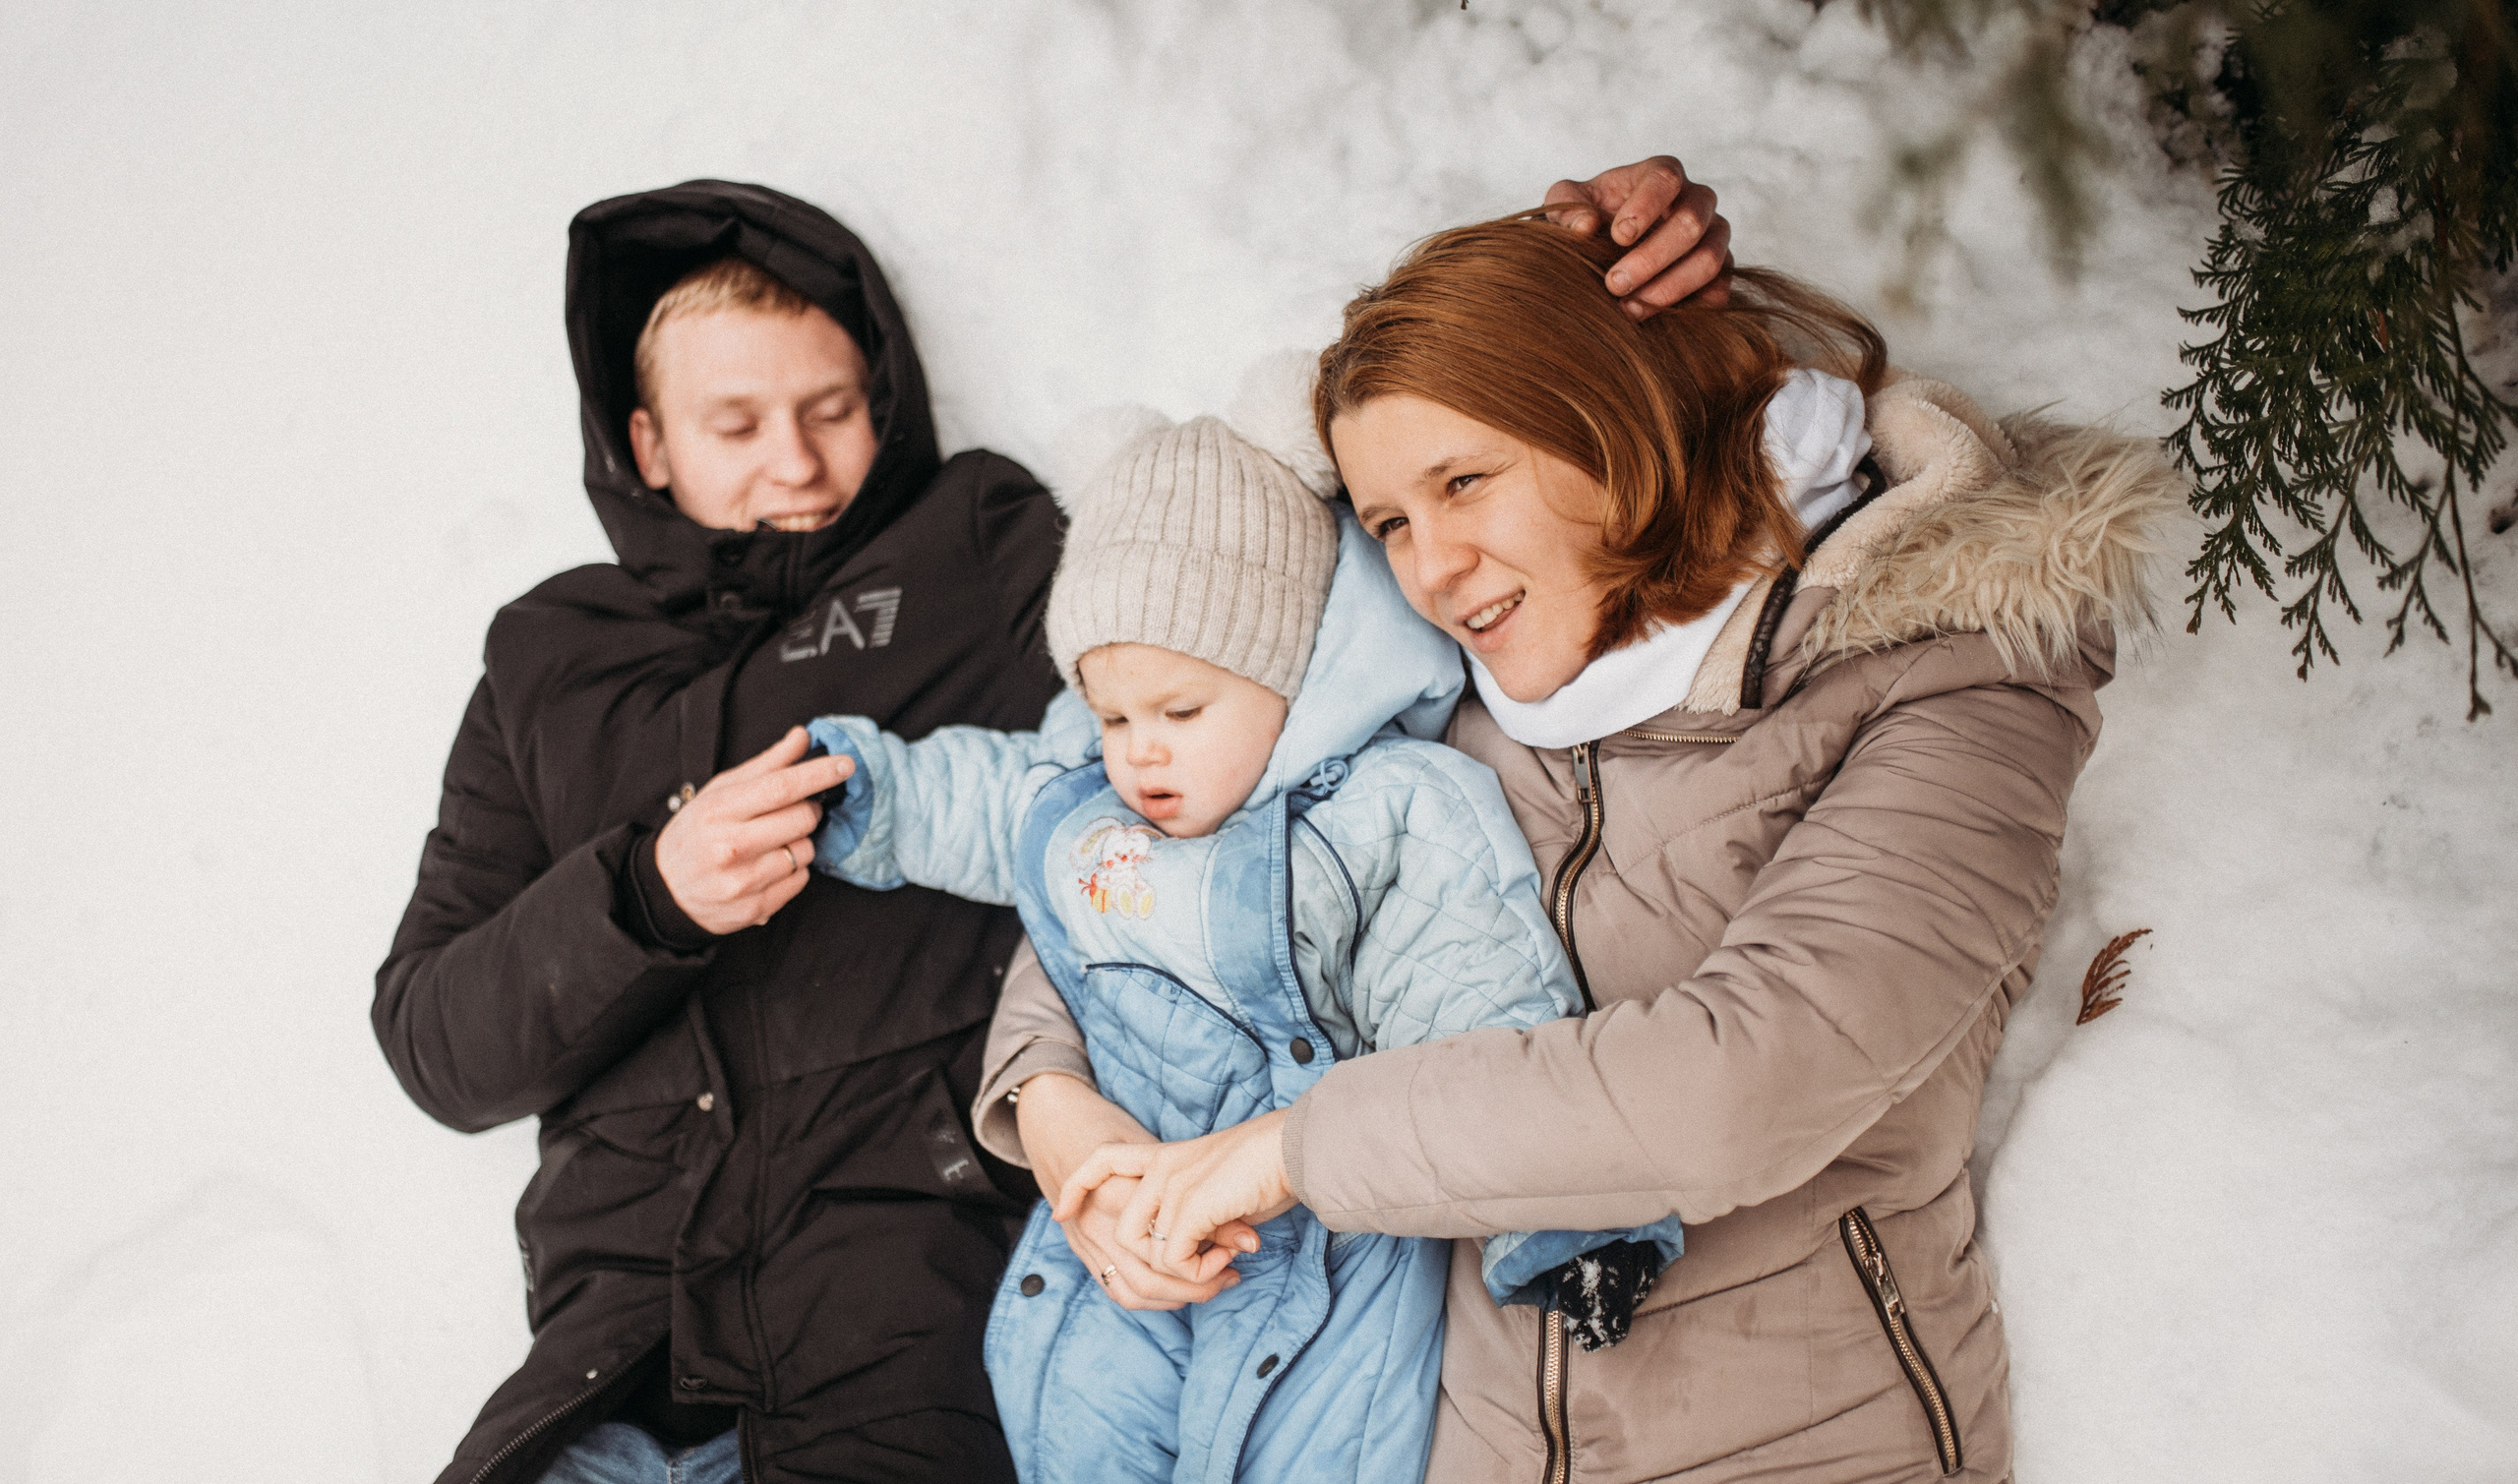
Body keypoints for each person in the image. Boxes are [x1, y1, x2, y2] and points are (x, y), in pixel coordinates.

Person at [373, 167, 1734, 1484]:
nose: (796, 463)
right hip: (613, 1348)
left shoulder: (980, 550)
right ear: (646, 440)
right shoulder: (551, 656)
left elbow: (1247, 557)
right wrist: (646, 895)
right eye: (736, 428)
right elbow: (440, 1045)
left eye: (834, 409)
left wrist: (1576, 281)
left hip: (900, 1314)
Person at [1001, 220, 2184, 1483]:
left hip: (1797, 1441)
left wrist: (1293, 1150)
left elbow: (1746, 1082)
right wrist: (1047, 1094)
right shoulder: (1428, 684)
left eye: (1465, 482)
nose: (1434, 568)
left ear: (1610, 419)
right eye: (1391, 521)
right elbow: (1173, 859)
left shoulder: (1952, 672)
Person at [802, 415, 1685, 1484]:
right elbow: (989, 798)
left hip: (1323, 1245)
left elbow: (1477, 994)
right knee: (1081, 1424)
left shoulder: (1384, 811)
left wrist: (1565, 1223)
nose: (1143, 750)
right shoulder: (1090, 804)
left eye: (1181, 707)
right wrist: (874, 794)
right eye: (1113, 713)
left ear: (1292, 681)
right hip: (1123, 1226)